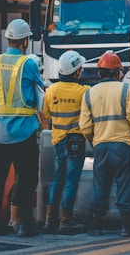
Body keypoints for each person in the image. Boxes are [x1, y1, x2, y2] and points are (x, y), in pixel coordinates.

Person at [79, 51, 130, 237]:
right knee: (124, 185)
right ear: (118, 72)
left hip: (102, 147)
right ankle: (128, 226)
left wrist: (95, 143)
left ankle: (96, 225)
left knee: (100, 186)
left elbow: (85, 126)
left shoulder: (89, 93)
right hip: (123, 147)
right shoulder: (125, 89)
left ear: (99, 73)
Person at [0, 18, 46, 237]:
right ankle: (24, 223)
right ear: (24, 41)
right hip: (24, 133)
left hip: (0, 133)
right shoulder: (28, 64)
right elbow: (41, 90)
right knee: (28, 178)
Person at [42, 50, 90, 235]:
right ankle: (65, 220)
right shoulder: (84, 91)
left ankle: (49, 220)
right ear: (77, 72)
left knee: (57, 180)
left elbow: (44, 115)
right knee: (71, 182)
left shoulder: (51, 90)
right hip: (76, 141)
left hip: (58, 141)